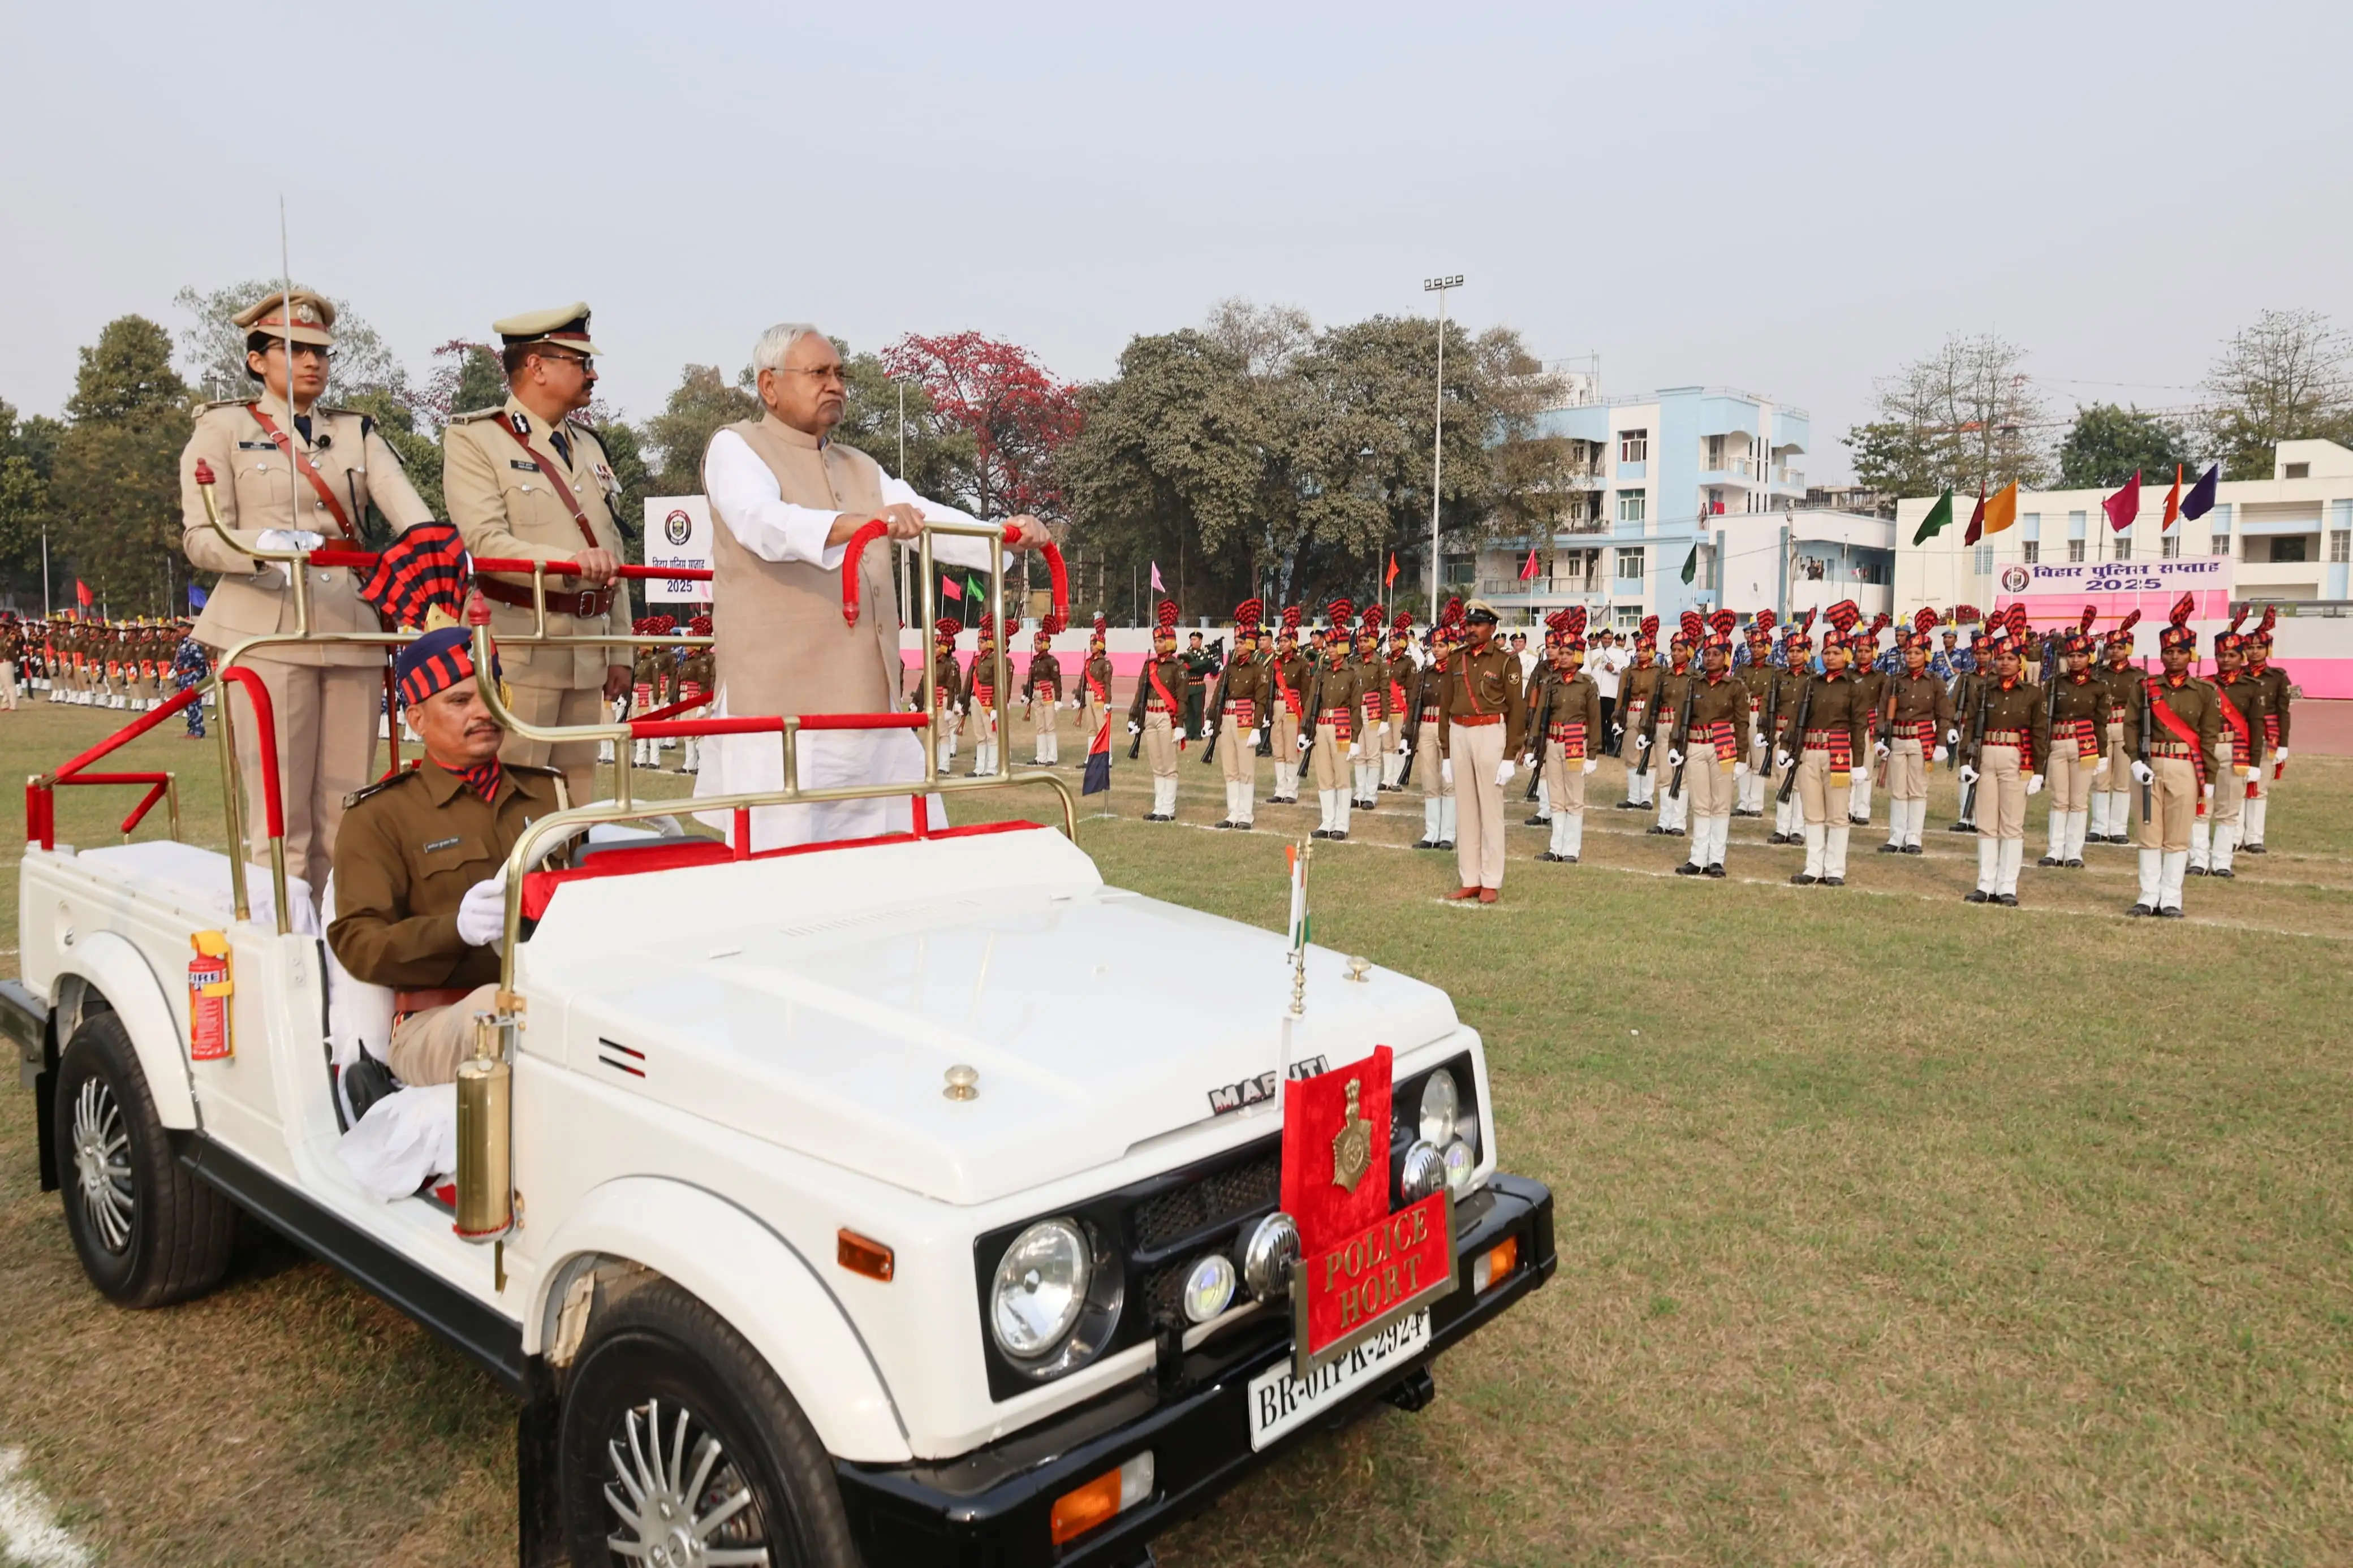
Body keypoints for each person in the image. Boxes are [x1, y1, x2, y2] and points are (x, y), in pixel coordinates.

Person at [690, 322, 1049, 848]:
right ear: (769, 385)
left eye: (840, 373)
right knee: (784, 878)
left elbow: (924, 516)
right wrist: (858, 524)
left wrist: (1005, 535)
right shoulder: (735, 446)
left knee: (903, 861)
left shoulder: (859, 464)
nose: (835, 384)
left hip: (872, 713)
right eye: (819, 373)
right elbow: (761, 522)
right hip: (780, 717)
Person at [179, 288, 437, 897]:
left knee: (345, 810)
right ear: (256, 360)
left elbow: (414, 519)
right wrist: (259, 544)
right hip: (265, 627)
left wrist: (435, 553)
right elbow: (199, 538)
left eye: (322, 351)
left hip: (347, 629)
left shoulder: (356, 432)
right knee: (280, 817)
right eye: (294, 350)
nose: (313, 362)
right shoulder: (223, 428)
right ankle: (283, 949)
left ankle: (336, 942)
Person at [326, 626, 566, 1087]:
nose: (484, 712)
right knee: (500, 1014)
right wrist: (453, 930)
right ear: (417, 719)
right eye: (459, 701)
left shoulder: (546, 793)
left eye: (491, 695)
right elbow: (359, 943)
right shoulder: (381, 816)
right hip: (438, 1021)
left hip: (549, 999)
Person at [442, 303, 632, 805]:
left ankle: (566, 885)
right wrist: (568, 566)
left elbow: (612, 547)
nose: (592, 372)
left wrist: (622, 650)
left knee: (578, 802)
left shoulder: (590, 446)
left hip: (588, 653)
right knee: (509, 797)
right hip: (519, 648)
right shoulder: (474, 439)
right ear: (537, 367)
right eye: (579, 360)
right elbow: (484, 543)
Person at [2127, 597, 2221, 917]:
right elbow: (2131, 725)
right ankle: (2147, 896)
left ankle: (2171, 898)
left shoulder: (2205, 692)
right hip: (2149, 766)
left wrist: (2209, 777)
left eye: (2181, 651)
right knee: (2149, 834)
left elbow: (2208, 736)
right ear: (2161, 654)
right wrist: (2135, 761)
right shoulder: (2145, 687)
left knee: (2178, 837)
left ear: (2190, 654)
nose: (2175, 656)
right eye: (2169, 651)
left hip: (2185, 766)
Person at [1435, 599, 1526, 904]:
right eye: (1469, 624)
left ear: (1493, 627)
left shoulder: (1505, 662)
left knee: (1490, 809)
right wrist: (1446, 752)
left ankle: (1491, 879)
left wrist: (1510, 755)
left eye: (1478, 624)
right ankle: (1470, 878)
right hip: (1459, 732)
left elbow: (1517, 710)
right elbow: (1445, 706)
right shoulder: (1455, 659)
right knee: (1466, 811)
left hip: (1490, 733)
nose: (1471, 629)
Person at [1957, 616, 2049, 906]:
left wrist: (2039, 771)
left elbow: (2039, 733)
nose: (2005, 663)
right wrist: (1965, 761)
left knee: (2012, 825)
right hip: (1986, 758)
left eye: (2011, 658)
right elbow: (1970, 726)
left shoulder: (2033, 693)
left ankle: (2007, 885)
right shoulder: (1983, 690)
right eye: (2001, 658)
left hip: (2016, 759)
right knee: (1986, 824)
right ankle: (1985, 883)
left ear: (2021, 661)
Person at [1782, 602, 1873, 888]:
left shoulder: (1854, 686)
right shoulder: (1811, 684)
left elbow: (1859, 727)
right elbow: (1797, 717)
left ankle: (1834, 869)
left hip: (1839, 753)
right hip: (1810, 752)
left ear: (1846, 655)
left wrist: (1859, 763)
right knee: (1812, 811)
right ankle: (1813, 866)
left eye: (1836, 653)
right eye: (1827, 652)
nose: (1831, 657)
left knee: (1837, 813)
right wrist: (1787, 747)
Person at [1666, 611, 1751, 878]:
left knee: (1721, 803)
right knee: (1700, 804)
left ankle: (1716, 859)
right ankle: (1697, 857)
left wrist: (1741, 758)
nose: (1710, 658)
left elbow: (1742, 723)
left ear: (1726, 657)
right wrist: (1675, 746)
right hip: (1696, 745)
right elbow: (1681, 716)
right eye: (1707, 653)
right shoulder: (1694, 684)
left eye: (1716, 653)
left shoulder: (1735, 686)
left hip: (1723, 747)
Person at [2195, 615, 2269, 879]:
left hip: (2234, 751)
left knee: (2228, 810)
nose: (2225, 660)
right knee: (2201, 807)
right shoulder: (2203, 685)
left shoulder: (2251, 687)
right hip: (2206, 749)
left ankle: (2222, 861)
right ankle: (2198, 859)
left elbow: (2257, 726)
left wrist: (2255, 763)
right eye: (2221, 655)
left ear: (2242, 657)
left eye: (2231, 655)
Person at [1877, 610, 1951, 856]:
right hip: (1898, 738)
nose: (1912, 657)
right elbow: (1881, 710)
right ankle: (1896, 836)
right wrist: (1880, 739)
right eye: (1909, 652)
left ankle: (1914, 839)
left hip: (1922, 741)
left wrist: (1942, 743)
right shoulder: (1894, 680)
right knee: (1898, 789)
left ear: (1926, 655)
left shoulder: (1935, 682)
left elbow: (1944, 715)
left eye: (1917, 653)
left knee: (1918, 789)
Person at [1533, 608, 1602, 865]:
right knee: (1556, 796)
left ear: (1578, 655)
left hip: (1575, 742)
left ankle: (1572, 849)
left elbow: (1595, 721)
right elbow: (1541, 714)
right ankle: (1556, 847)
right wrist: (1533, 747)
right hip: (1552, 742)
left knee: (1574, 798)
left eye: (1567, 653)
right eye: (1560, 653)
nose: (1561, 657)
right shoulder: (1551, 682)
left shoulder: (1587, 684)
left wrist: (1592, 753)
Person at [2039, 609, 2107, 869]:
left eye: (2080, 655)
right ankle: (2055, 850)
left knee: (2078, 800)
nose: (2076, 660)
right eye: (2072, 656)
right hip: (2058, 744)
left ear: (2089, 657)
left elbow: (2100, 722)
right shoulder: (2054, 684)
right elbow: (2045, 719)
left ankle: (2074, 852)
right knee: (2059, 799)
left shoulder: (2098, 686)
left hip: (2085, 746)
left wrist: (2103, 754)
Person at [1304, 599, 1364, 840]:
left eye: (1334, 645)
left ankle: (1342, 824)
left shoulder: (1352, 673)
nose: (1329, 649)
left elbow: (1356, 708)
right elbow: (1311, 701)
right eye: (1328, 646)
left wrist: (1355, 738)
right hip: (1322, 727)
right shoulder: (1321, 671)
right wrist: (1304, 730)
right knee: (1324, 776)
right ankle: (1327, 821)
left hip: (1342, 728)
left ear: (1344, 647)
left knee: (1341, 776)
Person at [1210, 601, 1268, 829]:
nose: (1237, 646)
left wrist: (1257, 728)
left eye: (1241, 642)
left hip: (1246, 719)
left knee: (1246, 769)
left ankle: (1246, 814)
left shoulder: (1258, 668)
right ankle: (1233, 812)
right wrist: (1210, 717)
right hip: (1228, 719)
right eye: (1236, 642)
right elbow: (1219, 693)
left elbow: (1261, 700)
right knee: (1230, 769)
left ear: (1251, 643)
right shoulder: (1230, 667)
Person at [1409, 603, 1461, 850]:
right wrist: (1408, 733)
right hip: (1428, 727)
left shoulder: (1458, 672)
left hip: (1450, 726)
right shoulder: (1426, 673)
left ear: (1451, 646)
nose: (1437, 650)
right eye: (1435, 646)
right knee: (1430, 780)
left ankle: (1448, 834)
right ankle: (1431, 832)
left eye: (1442, 645)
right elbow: (1414, 703)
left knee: (1449, 781)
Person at [1130, 602, 1187, 821]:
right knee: (1156, 763)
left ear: (1170, 642)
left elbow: (1182, 698)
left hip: (1167, 717)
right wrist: (1134, 717)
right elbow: (1140, 693)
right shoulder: (1150, 665)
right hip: (1150, 717)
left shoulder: (1178, 667)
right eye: (1155, 641)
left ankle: (1168, 809)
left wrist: (1180, 725)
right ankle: (1158, 806)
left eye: (1161, 641)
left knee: (1168, 764)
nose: (1157, 644)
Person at [2091, 612, 2143, 845]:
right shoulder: (2097, 673)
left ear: (2128, 649)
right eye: (2111, 647)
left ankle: (2118, 828)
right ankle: (2099, 827)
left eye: (2120, 647)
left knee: (2122, 780)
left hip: (2125, 726)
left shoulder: (2138, 675)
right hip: (2102, 726)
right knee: (2100, 779)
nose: (2114, 651)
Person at [1645, 617, 1699, 839]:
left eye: (1680, 650)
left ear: (1689, 652)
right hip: (1663, 727)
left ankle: (1678, 822)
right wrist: (1645, 727)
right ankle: (1664, 820)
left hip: (1684, 730)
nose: (1676, 654)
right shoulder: (1663, 675)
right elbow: (1652, 702)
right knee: (1665, 775)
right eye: (1673, 650)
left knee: (1682, 777)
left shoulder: (1695, 677)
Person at [2243, 607, 2290, 853]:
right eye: (2250, 647)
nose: (2254, 652)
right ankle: (2235, 835)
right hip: (2241, 736)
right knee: (2238, 785)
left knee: (2259, 788)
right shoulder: (2237, 675)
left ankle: (2254, 838)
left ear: (2267, 650)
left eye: (2259, 647)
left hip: (2267, 737)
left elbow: (2283, 711)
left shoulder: (2278, 677)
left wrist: (2283, 743)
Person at [1845, 614, 1890, 827]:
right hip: (1848, 725)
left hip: (1869, 726)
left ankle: (1862, 810)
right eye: (1859, 651)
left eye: (1866, 651)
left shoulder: (1881, 676)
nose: (1862, 655)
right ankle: (1847, 808)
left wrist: (1882, 731)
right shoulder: (1847, 674)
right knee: (1846, 767)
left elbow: (1884, 705)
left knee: (1865, 767)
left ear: (1873, 653)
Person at [1615, 617, 1661, 810]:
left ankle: (1647, 797)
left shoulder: (1660, 671)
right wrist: (1617, 718)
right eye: (1639, 650)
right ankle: (1634, 797)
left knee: (1649, 758)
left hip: (1651, 715)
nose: (1641, 653)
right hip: (1632, 713)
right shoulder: (1629, 671)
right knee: (1632, 756)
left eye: (1644, 650)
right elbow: (1620, 696)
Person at [1734, 614, 1778, 818]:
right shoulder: (1742, 668)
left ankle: (1756, 805)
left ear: (1767, 649)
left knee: (1759, 761)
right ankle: (1743, 802)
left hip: (1760, 716)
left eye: (1760, 646)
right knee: (1743, 758)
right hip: (1743, 714)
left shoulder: (1774, 671)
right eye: (1752, 646)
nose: (1755, 650)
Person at [1267, 606, 1309, 804]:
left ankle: (1292, 790)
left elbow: (1306, 692)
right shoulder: (1274, 663)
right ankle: (1280, 789)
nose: (1281, 644)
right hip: (1277, 707)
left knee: (1291, 750)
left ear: (1293, 642)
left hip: (1293, 708)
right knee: (1278, 749)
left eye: (1285, 641)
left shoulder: (1301, 664)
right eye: (1280, 640)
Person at [1351, 607, 1389, 812]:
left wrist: (1385, 719)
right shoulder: (1354, 663)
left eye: (1366, 641)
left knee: (1373, 754)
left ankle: (1371, 795)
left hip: (1374, 711)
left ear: (1374, 642)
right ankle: (1360, 793)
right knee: (1359, 753)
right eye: (1361, 640)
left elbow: (1385, 691)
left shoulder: (1380, 664)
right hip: (1357, 711)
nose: (1363, 644)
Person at [960, 613, 1004, 776]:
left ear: (990, 642)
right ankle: (980, 768)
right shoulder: (977, 660)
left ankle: (992, 768)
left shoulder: (995, 660)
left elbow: (998, 684)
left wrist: (995, 706)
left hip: (987, 700)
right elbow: (969, 681)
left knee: (991, 735)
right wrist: (962, 701)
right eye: (979, 642)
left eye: (982, 642)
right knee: (980, 736)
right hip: (975, 699)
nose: (979, 645)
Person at [1382, 613, 1416, 792]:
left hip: (1401, 706)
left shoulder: (1408, 662)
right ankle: (1387, 778)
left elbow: (1411, 688)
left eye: (1395, 640)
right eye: (1390, 640)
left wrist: (1409, 710)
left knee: (1398, 744)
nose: (1391, 643)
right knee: (1387, 745)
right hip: (1386, 707)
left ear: (1402, 642)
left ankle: (1397, 778)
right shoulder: (1385, 660)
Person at [923, 618, 963, 770]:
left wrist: (952, 706)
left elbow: (953, 686)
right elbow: (924, 683)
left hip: (944, 700)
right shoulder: (930, 662)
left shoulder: (950, 665)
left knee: (944, 732)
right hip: (932, 700)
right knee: (932, 732)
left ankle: (944, 764)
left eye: (936, 646)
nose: (933, 649)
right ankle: (934, 761)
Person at [1024, 619, 1064, 766]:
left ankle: (1052, 756)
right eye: (1035, 643)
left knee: (1050, 726)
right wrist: (1027, 695)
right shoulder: (1035, 661)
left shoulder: (1052, 661)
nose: (1036, 645)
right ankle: (1041, 756)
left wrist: (1058, 699)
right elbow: (1031, 679)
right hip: (1036, 694)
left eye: (1039, 643)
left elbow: (1057, 680)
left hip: (1048, 694)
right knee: (1040, 726)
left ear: (1046, 644)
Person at [1077, 616, 1113, 773]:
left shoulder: (1105, 664)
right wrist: (1078, 698)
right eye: (1091, 644)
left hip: (1100, 698)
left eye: (1094, 644)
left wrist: (1108, 702)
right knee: (1091, 729)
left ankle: (1107, 757)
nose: (1092, 647)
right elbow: (1082, 680)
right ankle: (1091, 756)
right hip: (1088, 696)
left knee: (1102, 728)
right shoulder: (1088, 662)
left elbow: (1108, 684)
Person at [1180, 630, 1218, 741]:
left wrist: (1190, 666)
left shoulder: (1205, 654)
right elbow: (1182, 665)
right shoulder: (1187, 653)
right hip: (1188, 685)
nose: (1192, 642)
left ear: (1200, 641)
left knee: (1198, 710)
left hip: (1198, 685)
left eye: (1195, 639)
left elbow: (1205, 665)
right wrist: (1192, 666)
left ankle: (1198, 733)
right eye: (1191, 640)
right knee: (1188, 710)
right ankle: (1189, 732)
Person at [1588, 627, 1624, 740]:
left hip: (1611, 693)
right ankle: (1599, 746)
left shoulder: (1620, 653)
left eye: (1609, 639)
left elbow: (1625, 668)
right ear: (1600, 639)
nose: (1607, 641)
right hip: (1596, 693)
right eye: (1605, 638)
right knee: (1596, 721)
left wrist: (1614, 668)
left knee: (1610, 721)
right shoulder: (1593, 653)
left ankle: (1610, 746)